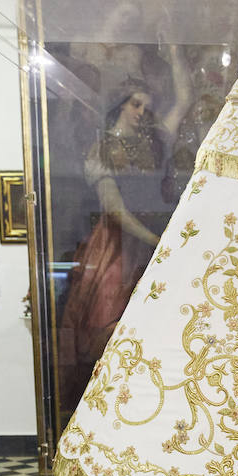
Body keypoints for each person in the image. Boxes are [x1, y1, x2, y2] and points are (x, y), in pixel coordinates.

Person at [59, 70, 189, 418]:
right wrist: (155, 241)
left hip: (150, 244)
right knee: (109, 322)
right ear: (120, 104)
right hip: (117, 247)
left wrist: (175, 49)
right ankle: (103, 414)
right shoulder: (101, 150)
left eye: (146, 106)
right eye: (136, 104)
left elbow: (183, 103)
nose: (142, 112)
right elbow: (115, 210)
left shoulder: (152, 144)